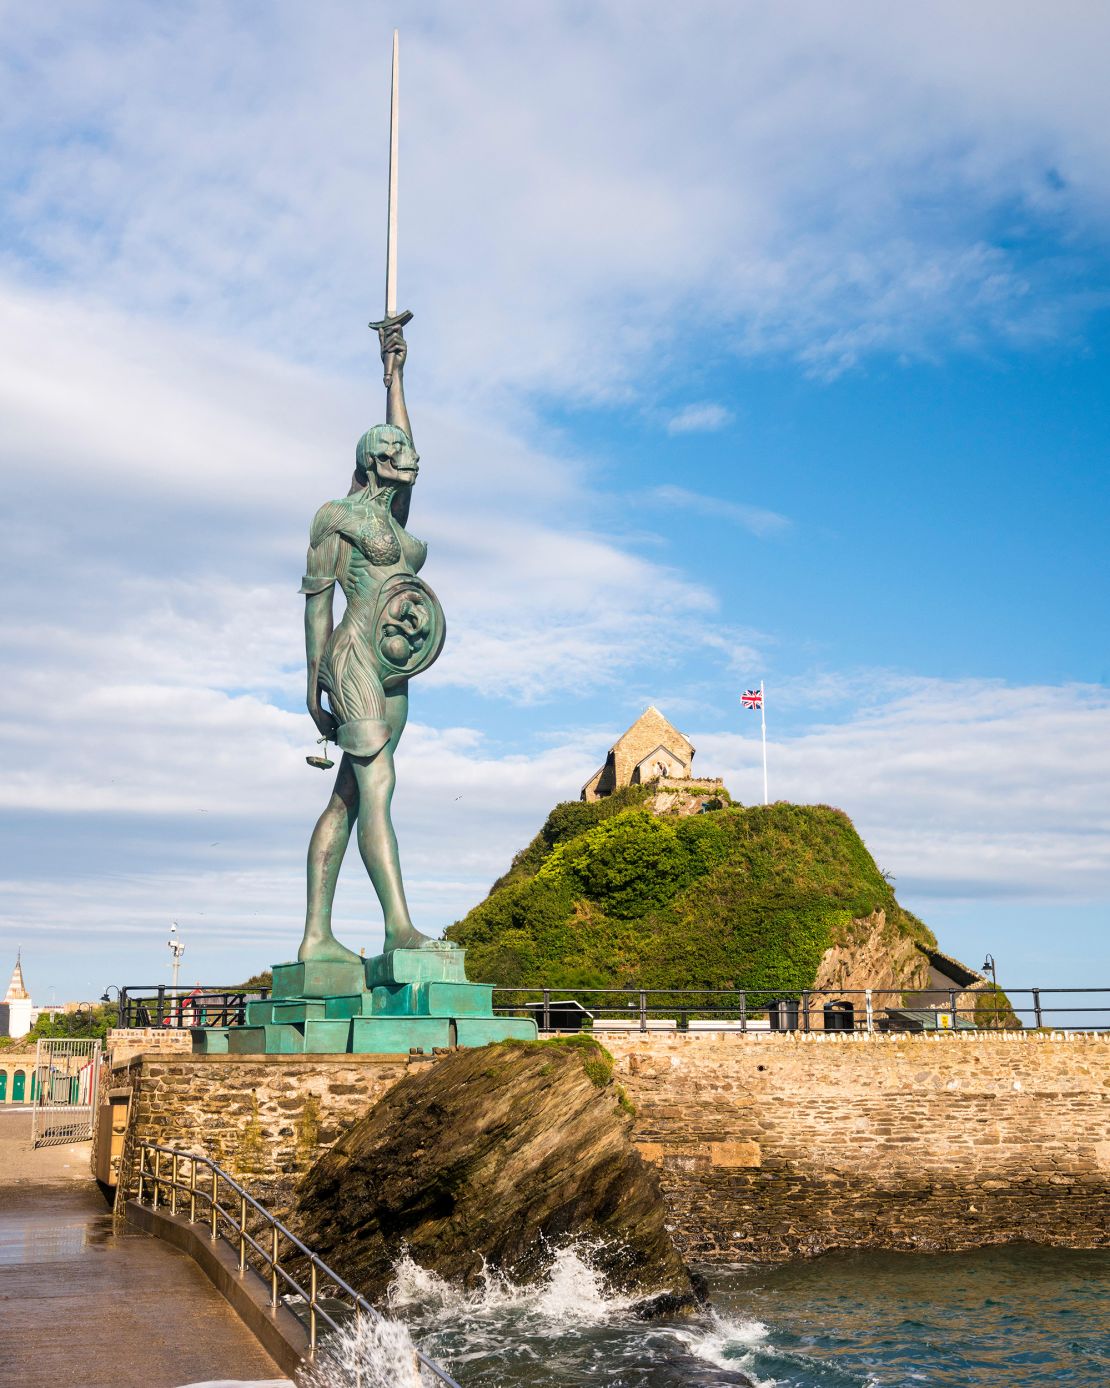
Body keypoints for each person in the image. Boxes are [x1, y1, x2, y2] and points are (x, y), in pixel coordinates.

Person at [298, 322, 446, 963]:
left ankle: (315, 937)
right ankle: (399, 929)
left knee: (351, 795)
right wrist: (312, 683)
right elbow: (317, 601)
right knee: (378, 783)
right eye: (389, 446)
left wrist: (395, 375)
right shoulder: (338, 516)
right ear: (368, 459)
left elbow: (405, 438)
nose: (404, 450)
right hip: (353, 658)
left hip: (394, 669)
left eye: (403, 446)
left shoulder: (395, 518)